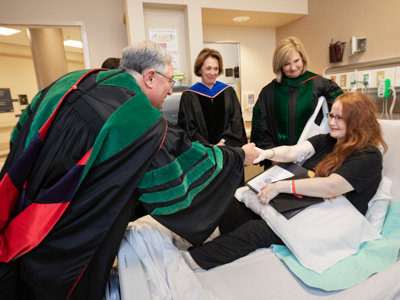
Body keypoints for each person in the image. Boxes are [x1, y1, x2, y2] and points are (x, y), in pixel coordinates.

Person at [0, 40, 258, 300]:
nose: (170, 90)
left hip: (23, 206)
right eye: (169, 80)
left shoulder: (75, 81)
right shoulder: (137, 119)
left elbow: (21, 137)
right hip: (67, 233)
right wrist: (238, 156)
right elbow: (178, 168)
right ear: (149, 77)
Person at [184, 92, 387, 270]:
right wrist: (265, 153)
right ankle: (195, 241)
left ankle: (187, 262)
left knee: (256, 230)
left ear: (358, 121)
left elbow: (331, 186)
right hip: (306, 208)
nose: (332, 122)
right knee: (238, 207)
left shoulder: (368, 156)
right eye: (331, 115)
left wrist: (281, 186)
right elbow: (292, 151)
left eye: (339, 118)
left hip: (329, 222)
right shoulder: (328, 140)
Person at [251, 36, 343, 169]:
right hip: (278, 163)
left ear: (303, 59)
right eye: (287, 64)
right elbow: (261, 128)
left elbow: (343, 117)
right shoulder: (269, 92)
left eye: (296, 61)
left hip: (316, 160)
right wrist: (273, 156)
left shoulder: (322, 85)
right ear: (279, 65)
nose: (293, 67)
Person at [178, 48, 247, 147]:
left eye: (216, 68)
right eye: (208, 68)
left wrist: (223, 142)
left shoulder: (228, 92)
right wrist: (208, 146)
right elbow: (188, 128)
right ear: (199, 69)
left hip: (227, 150)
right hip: (203, 153)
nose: (213, 73)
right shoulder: (189, 96)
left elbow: (236, 122)